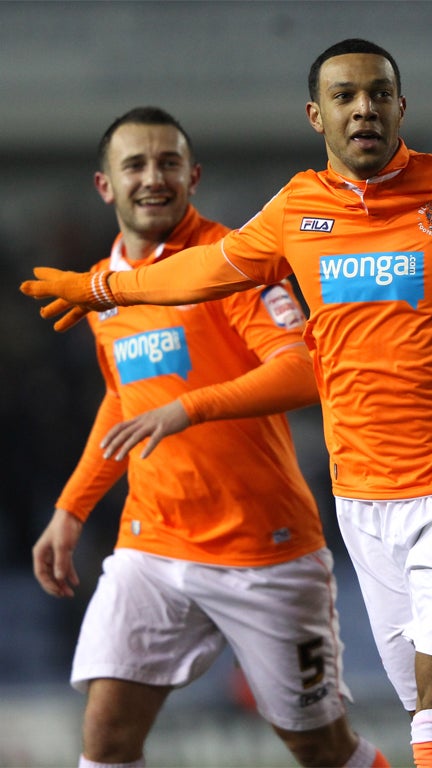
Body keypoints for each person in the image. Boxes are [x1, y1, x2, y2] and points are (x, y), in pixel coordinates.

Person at [21, 40, 432, 768]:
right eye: (345, 96)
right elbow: (160, 337)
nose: (364, 109)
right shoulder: (295, 211)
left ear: (400, 106)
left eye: (378, 94)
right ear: (317, 115)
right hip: (352, 502)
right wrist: (100, 294)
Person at [30, 107, 387, 768]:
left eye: (168, 162)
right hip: (153, 544)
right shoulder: (103, 289)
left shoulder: (233, 264)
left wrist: (190, 409)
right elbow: (124, 400)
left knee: (320, 748)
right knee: (106, 739)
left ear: (193, 176)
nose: (152, 177)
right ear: (105, 185)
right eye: (134, 164)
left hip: (265, 551)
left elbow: (306, 370)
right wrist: (71, 508)